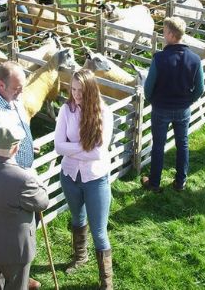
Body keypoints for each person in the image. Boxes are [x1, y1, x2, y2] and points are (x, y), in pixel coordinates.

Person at [54, 69, 114, 289]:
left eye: (81, 90)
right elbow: (58, 146)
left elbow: (98, 153)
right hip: (69, 176)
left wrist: (72, 149)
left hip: (95, 178)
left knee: (99, 232)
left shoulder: (103, 113)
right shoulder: (65, 110)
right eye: (73, 89)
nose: (76, 94)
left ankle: (106, 283)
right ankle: (81, 257)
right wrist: (84, 148)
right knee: (77, 219)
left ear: (90, 90)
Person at [0, 123, 49, 290]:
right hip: (15, 248)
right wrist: (35, 178)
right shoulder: (23, 178)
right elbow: (42, 202)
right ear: (15, 149)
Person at [141, 17, 204, 192]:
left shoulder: (159, 58)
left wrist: (152, 100)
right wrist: (188, 101)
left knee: (158, 145)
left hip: (161, 109)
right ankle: (180, 182)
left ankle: (154, 183)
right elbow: (200, 88)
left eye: (164, 31)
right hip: (183, 109)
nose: (163, 34)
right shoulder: (195, 59)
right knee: (182, 144)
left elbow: (148, 87)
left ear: (170, 34)